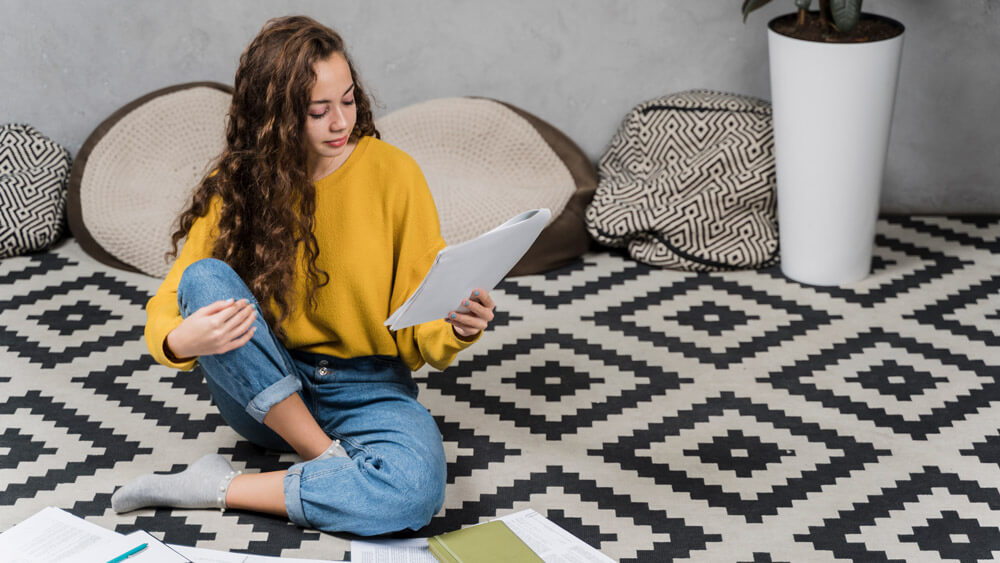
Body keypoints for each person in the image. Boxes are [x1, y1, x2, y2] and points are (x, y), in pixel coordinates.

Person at [110, 15, 494, 536]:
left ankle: (217, 487)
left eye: (349, 100)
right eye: (318, 110)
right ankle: (328, 460)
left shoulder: (394, 174)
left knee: (414, 494)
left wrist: (455, 326)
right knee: (205, 278)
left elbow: (418, 308)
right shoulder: (238, 183)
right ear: (275, 117)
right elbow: (174, 296)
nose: (340, 122)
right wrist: (182, 339)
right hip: (267, 391)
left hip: (370, 390)